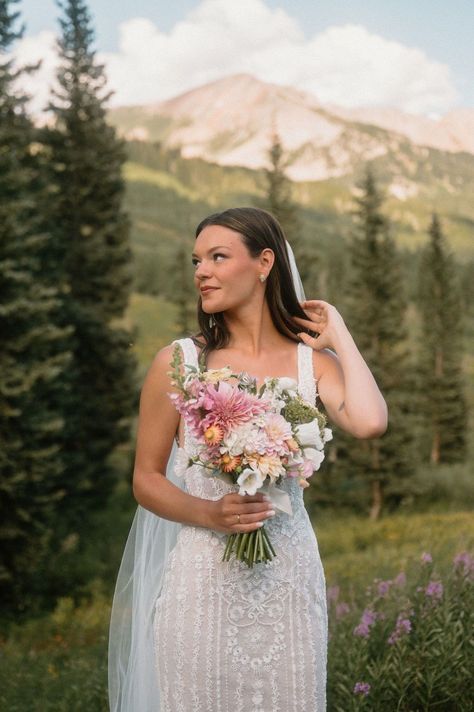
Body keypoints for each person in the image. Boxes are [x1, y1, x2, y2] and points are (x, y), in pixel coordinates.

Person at [108, 207, 388, 712]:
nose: (201, 272)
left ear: (264, 263)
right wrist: (209, 513)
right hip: (202, 583)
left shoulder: (313, 365)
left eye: (218, 257)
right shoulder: (180, 364)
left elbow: (370, 422)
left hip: (288, 581)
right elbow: (146, 479)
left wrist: (339, 334)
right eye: (197, 260)